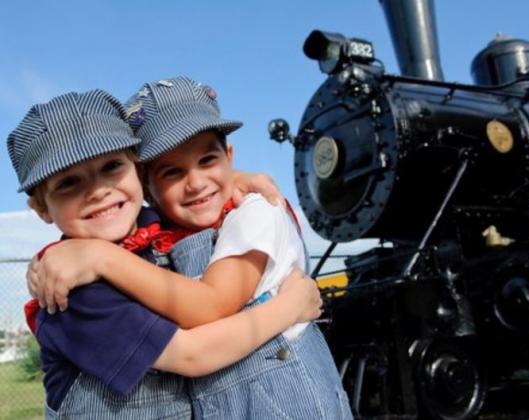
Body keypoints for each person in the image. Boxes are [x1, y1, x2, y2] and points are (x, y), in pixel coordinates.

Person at [30, 77, 353, 419]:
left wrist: (233, 180)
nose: (97, 191)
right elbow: (193, 351)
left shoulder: (241, 215)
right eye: (172, 172)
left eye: (111, 167)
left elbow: (206, 302)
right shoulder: (79, 292)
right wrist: (290, 306)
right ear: (147, 182)